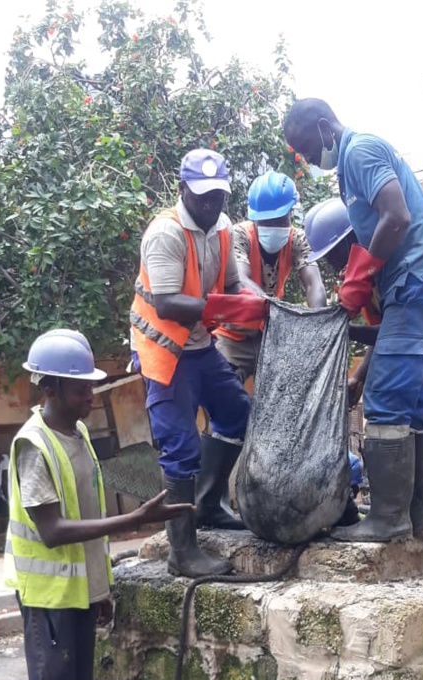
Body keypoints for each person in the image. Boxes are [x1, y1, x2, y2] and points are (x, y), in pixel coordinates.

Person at [4, 328, 193, 680]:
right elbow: (55, 531)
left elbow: (88, 521)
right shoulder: (32, 445)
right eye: (81, 388)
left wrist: (101, 590)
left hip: (78, 597)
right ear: (54, 387)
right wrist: (136, 520)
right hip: (47, 601)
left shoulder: (79, 436)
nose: (92, 395)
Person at [284, 99, 423, 543]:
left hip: (415, 284)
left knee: (384, 402)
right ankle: (418, 520)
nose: (306, 157)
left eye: (306, 146)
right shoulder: (351, 163)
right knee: (418, 405)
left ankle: (388, 519)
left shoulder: (359, 152)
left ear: (325, 127)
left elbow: (396, 216)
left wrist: (361, 275)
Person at [303, 197, 423, 533]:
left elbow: (395, 333)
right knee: (421, 408)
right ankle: (422, 514)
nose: (335, 267)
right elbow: (388, 337)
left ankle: (419, 512)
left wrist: (345, 329)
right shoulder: (370, 271)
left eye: (334, 256)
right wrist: (357, 379)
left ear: (350, 240)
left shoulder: (381, 261)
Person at [130, 148, 267, 576]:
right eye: (203, 196)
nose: (211, 205)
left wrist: (256, 300)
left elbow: (230, 282)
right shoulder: (165, 234)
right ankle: (182, 553)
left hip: (200, 345)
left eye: (218, 197)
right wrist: (224, 310)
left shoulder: (223, 228)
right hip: (165, 349)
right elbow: (169, 304)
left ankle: (208, 505)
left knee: (236, 415)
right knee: (180, 448)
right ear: (183, 189)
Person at [215, 170, 326, 383]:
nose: (273, 227)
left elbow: (314, 285)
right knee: (223, 395)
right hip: (232, 334)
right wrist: (273, 307)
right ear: (255, 219)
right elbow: (241, 280)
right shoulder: (240, 235)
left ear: (290, 216)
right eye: (266, 222)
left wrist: (316, 324)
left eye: (280, 220)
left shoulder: (297, 240)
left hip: (269, 334)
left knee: (285, 391)